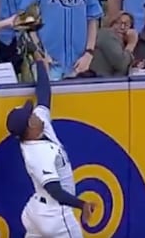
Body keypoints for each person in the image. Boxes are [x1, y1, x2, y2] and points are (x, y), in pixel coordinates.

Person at [5, 53, 96, 237]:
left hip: (35, 210)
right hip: (55, 214)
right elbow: (55, 191)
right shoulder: (39, 153)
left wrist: (39, 61)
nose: (36, 113)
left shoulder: (38, 127)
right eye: (31, 115)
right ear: (30, 125)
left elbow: (44, 94)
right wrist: (82, 205)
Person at [88, 11, 140, 77]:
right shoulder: (106, 34)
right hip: (99, 82)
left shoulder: (122, 43)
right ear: (111, 23)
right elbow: (121, 64)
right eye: (118, 23)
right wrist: (131, 44)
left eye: (126, 25)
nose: (122, 27)